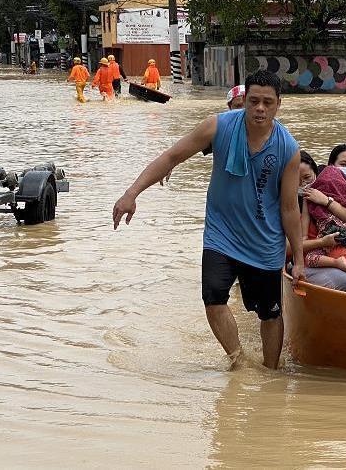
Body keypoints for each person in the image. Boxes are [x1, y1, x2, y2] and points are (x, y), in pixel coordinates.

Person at [112, 70, 304, 370]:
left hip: (265, 242)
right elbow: (171, 157)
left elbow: (290, 209)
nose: (260, 109)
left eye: (268, 102)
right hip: (221, 235)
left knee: (269, 313)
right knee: (213, 299)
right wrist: (131, 193)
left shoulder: (288, 149)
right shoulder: (219, 126)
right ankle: (238, 362)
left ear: (279, 104)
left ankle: (270, 373)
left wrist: (300, 257)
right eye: (253, 101)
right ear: (244, 102)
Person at [300, 165, 346, 291]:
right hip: (320, 259)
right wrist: (322, 242)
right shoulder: (302, 207)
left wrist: (326, 200)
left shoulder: (340, 202)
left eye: (307, 177)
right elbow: (296, 246)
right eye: (297, 180)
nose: (303, 184)